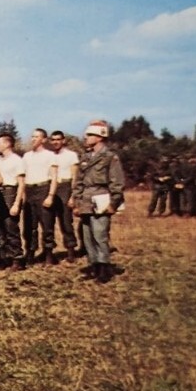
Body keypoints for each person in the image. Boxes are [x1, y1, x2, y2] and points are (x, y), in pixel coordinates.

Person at [73, 121, 127, 282]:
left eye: (90, 135)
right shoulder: (86, 157)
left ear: (100, 136)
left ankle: (104, 268)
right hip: (86, 200)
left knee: (100, 235)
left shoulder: (110, 157)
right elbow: (79, 181)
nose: (86, 137)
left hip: (102, 197)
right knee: (87, 235)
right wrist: (77, 201)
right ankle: (93, 266)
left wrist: (114, 203)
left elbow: (117, 182)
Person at [22, 128, 61, 265]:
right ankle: (30, 252)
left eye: (37, 137)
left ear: (43, 139)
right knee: (29, 225)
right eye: (32, 136)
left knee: (47, 224)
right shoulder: (26, 156)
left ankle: (49, 254)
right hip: (29, 190)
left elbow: (55, 177)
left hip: (43, 189)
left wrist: (50, 195)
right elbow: (23, 176)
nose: (33, 139)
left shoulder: (50, 156)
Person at [0, 132, 27, 269]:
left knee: (10, 227)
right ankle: (4, 257)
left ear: (7, 144)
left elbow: (21, 184)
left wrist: (16, 203)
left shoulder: (17, 160)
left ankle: (17, 258)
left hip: (10, 192)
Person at [49, 130, 81, 261]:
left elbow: (75, 177)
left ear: (63, 141)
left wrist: (72, 195)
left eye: (58, 139)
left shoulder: (71, 155)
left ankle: (71, 250)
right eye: (53, 140)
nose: (56, 142)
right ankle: (49, 252)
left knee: (66, 221)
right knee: (49, 221)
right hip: (51, 187)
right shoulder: (49, 155)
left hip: (65, 187)